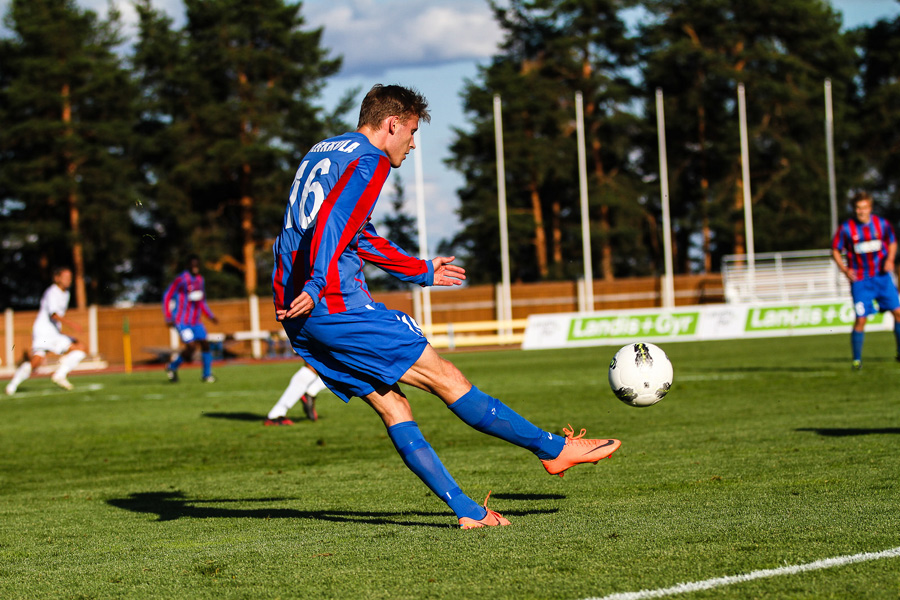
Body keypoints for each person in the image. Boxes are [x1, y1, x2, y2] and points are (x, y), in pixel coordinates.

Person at [272, 84, 621, 529]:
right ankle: (553, 449)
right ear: (392, 123)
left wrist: (419, 270)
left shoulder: (324, 151)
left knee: (393, 406)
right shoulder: (370, 159)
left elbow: (354, 233)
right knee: (446, 378)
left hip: (295, 307)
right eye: (412, 132)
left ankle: (468, 511)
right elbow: (333, 223)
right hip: (333, 302)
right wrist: (320, 281)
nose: (413, 144)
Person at [831, 191, 900, 369]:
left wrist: (890, 259)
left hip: (882, 278)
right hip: (861, 281)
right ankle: (857, 360)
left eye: (864, 208)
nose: (861, 211)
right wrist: (845, 269)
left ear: (870, 208)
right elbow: (835, 250)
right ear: (854, 210)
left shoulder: (881, 224)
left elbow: (892, 241)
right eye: (858, 208)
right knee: (861, 319)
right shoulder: (846, 228)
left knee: (898, 312)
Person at [5, 267, 87, 394]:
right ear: (57, 278)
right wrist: (72, 324)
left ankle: (59, 375)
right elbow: (53, 314)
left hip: (54, 332)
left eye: (70, 277)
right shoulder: (52, 292)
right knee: (36, 361)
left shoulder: (66, 294)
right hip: (43, 331)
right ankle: (12, 385)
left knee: (80, 348)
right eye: (65, 277)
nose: (68, 280)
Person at [162, 254, 218, 383]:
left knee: (205, 344)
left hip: (196, 321)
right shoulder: (181, 279)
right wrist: (168, 316)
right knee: (191, 347)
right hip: (182, 321)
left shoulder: (200, 280)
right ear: (188, 266)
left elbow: (202, 301)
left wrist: (210, 316)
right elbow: (167, 295)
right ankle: (172, 366)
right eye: (192, 265)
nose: (195, 267)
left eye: (197, 264)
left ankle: (207, 375)